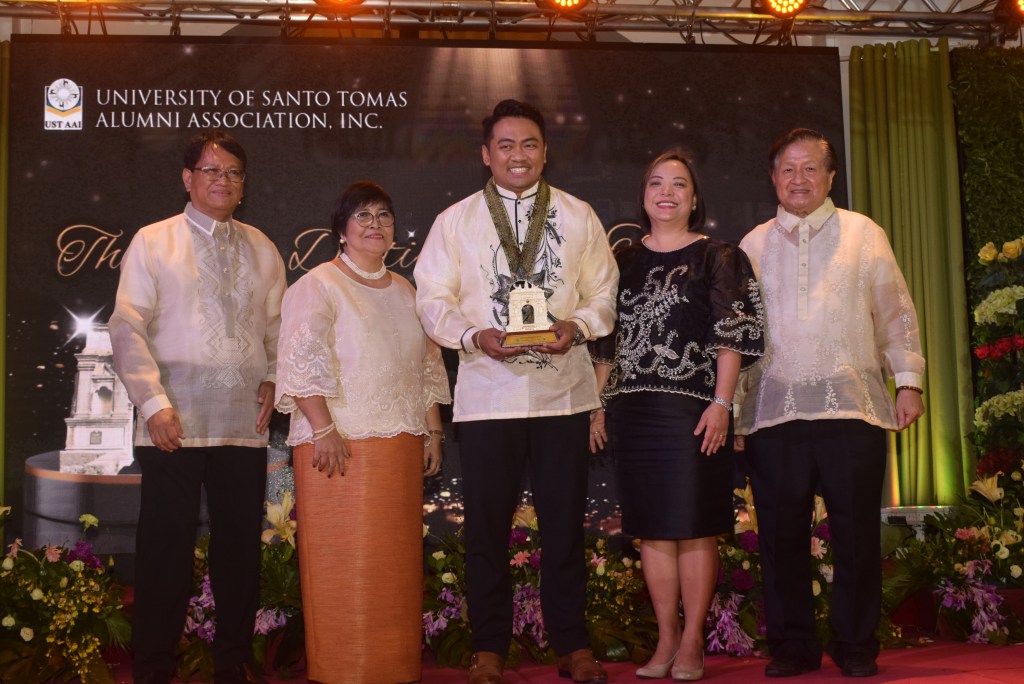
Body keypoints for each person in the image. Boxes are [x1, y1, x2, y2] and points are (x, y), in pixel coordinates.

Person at [414, 99, 619, 684]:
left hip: (563, 396)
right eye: (505, 145)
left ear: (545, 152)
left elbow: (604, 292)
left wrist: (576, 325)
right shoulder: (455, 221)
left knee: (564, 527)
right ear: (486, 154)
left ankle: (572, 645)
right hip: (488, 396)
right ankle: (488, 649)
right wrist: (473, 335)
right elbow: (432, 298)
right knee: (485, 530)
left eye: (529, 144)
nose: (518, 155)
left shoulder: (578, 215)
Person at [735, 128, 925, 678]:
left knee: (857, 535)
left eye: (810, 168)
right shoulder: (751, 244)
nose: (799, 179)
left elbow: (896, 312)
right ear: (773, 177)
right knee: (780, 537)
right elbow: (738, 336)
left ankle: (855, 644)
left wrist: (908, 382)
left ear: (831, 176)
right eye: (788, 169)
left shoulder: (864, 233)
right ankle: (792, 646)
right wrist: (736, 408)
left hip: (852, 406)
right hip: (774, 411)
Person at [109, 129, 286, 684]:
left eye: (233, 173)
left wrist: (275, 378)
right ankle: (153, 668)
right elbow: (126, 326)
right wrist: (153, 403)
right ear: (188, 179)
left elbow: (280, 329)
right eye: (211, 170)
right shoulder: (154, 240)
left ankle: (233, 662)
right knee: (166, 551)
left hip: (243, 422)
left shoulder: (262, 247)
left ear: (244, 185)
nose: (222, 181)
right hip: (174, 421)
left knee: (239, 551)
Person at [589, 151, 764, 681]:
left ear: (694, 197)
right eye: (656, 183)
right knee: (652, 531)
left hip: (693, 410)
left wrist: (722, 403)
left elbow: (732, 334)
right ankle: (666, 638)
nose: (667, 192)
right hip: (631, 410)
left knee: (694, 528)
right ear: (643, 196)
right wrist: (597, 406)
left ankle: (692, 643)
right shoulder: (619, 261)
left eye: (679, 184)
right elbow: (605, 343)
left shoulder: (719, 256)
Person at [274, 181, 451, 683]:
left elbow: (426, 366)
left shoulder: (407, 291)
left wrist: (433, 432)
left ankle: (394, 669)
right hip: (339, 445)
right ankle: (341, 671)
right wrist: (323, 427)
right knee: (345, 566)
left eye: (384, 215)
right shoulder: (318, 284)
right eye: (363, 216)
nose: (376, 225)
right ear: (341, 229)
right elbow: (302, 361)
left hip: (400, 447)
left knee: (393, 566)